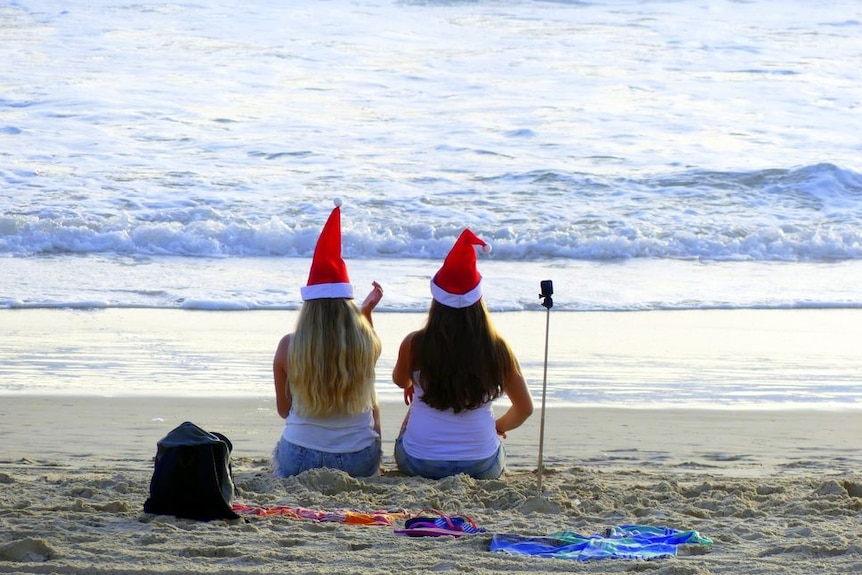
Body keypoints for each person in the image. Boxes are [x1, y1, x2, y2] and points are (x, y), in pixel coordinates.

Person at [392, 229, 534, 480]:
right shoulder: (497, 349)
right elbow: (524, 408)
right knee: (491, 443)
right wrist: (496, 427)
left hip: (420, 463)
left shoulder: (414, 344)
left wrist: (412, 382)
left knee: (412, 414)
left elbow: (400, 381)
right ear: (479, 304)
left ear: (436, 302)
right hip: (481, 465)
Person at [272, 199, 384, 477]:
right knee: (372, 399)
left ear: (309, 306)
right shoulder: (366, 344)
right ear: (349, 307)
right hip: (358, 459)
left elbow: (285, 411)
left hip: (299, 457)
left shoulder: (289, 347)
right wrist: (366, 312)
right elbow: (364, 344)